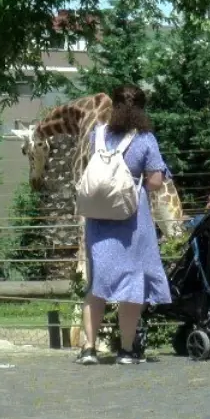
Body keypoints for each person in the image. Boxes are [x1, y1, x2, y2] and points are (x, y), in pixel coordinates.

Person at [76, 83, 172, 366]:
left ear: (113, 106)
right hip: (131, 220)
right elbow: (155, 182)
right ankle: (127, 350)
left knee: (97, 284)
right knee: (131, 284)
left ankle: (89, 349)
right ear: (141, 109)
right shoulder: (145, 139)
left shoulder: (98, 134)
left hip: (98, 219)